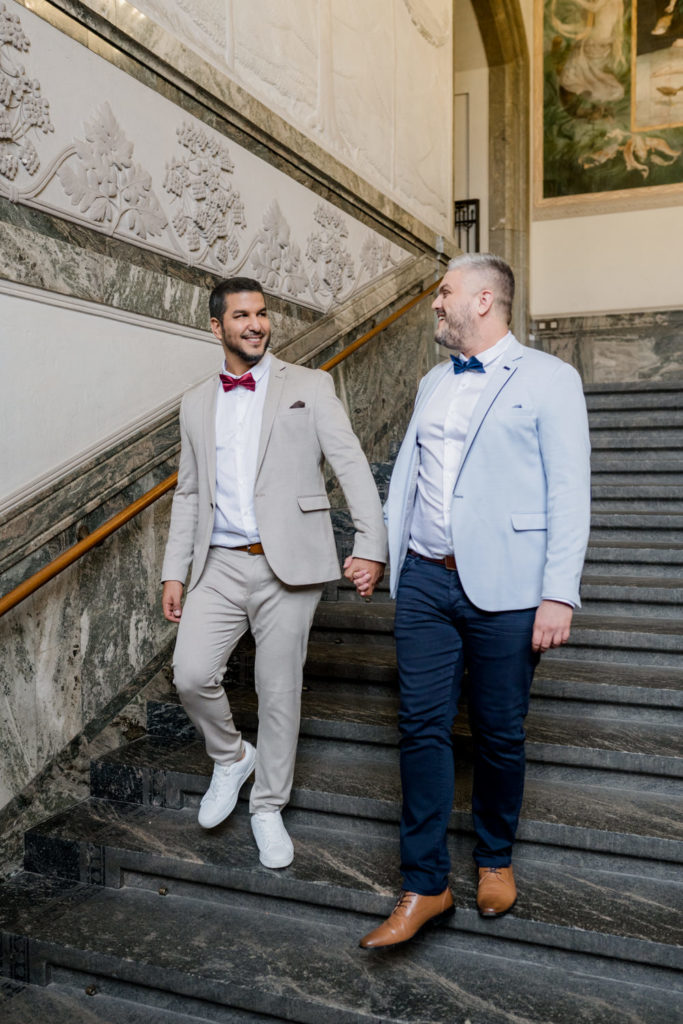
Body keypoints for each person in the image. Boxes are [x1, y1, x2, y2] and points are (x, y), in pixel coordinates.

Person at [355, 253, 591, 948]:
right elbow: (408, 475)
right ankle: (424, 883)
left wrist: (558, 593)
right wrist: (380, 549)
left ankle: (493, 858)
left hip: (511, 585)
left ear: (484, 300)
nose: (435, 303)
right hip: (426, 578)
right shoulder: (433, 380)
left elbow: (566, 494)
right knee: (420, 727)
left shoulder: (551, 379)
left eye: (445, 292)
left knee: (498, 730)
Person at [161, 277, 386, 870]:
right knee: (189, 673)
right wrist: (173, 571)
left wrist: (371, 543)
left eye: (262, 314)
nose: (257, 324)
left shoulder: (309, 385)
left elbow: (351, 463)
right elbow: (188, 494)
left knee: (278, 691)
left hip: (290, 564)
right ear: (217, 327)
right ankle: (232, 756)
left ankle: (267, 806)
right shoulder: (194, 403)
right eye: (242, 316)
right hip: (220, 564)